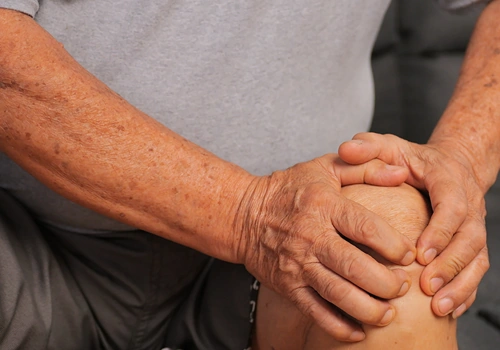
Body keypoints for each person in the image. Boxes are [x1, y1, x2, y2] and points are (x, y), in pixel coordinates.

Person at [0, 0, 494, 348]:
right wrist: (244, 213)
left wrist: (464, 158)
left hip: (274, 266)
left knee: (397, 269)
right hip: (26, 240)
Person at [253, 183, 458, 350]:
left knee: (407, 280)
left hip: (338, 175)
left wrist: (462, 153)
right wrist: (243, 212)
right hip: (232, 233)